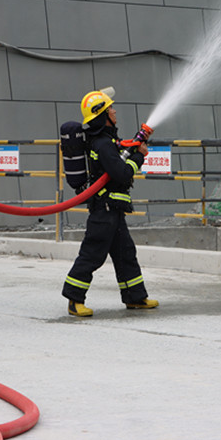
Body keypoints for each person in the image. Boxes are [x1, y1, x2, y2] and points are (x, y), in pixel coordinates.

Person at [62, 88, 158, 317]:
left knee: (125, 254)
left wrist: (133, 147)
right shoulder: (103, 144)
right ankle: (74, 300)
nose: (114, 111)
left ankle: (135, 297)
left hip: (113, 210)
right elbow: (122, 174)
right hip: (104, 210)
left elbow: (117, 160)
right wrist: (140, 156)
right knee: (92, 254)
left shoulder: (106, 141)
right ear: (102, 114)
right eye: (110, 108)